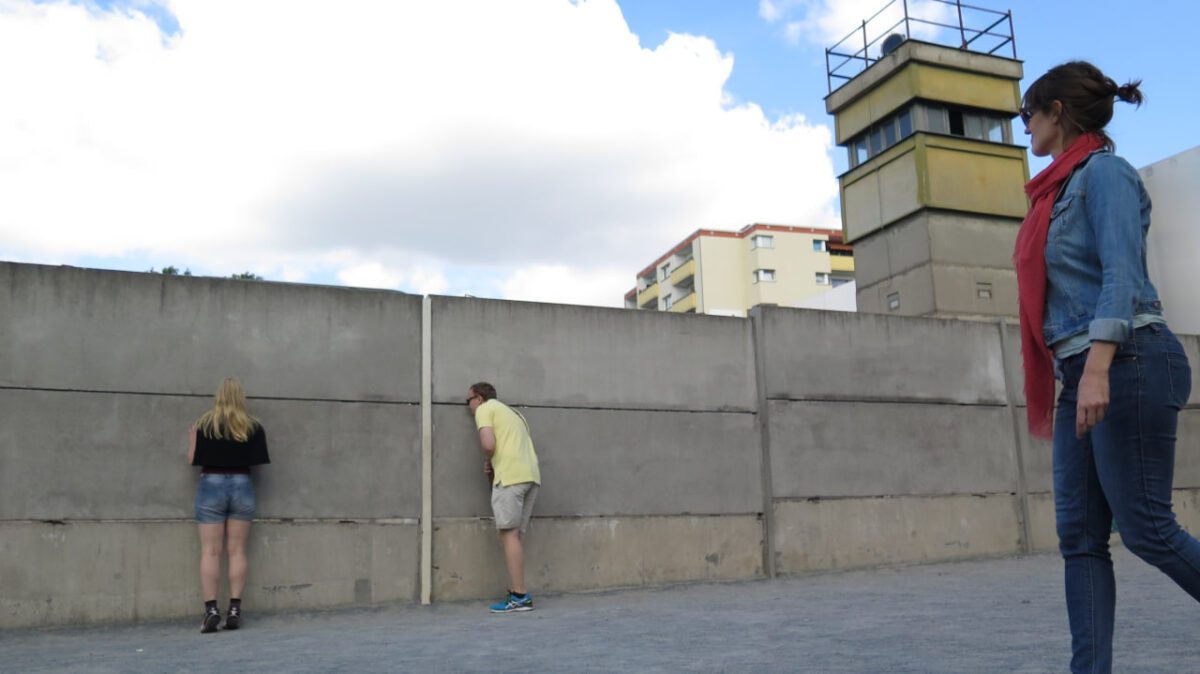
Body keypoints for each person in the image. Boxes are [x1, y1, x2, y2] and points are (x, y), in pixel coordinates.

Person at [1014, 61, 1199, 673]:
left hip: (1131, 360)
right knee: (1080, 540)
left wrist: (1097, 369)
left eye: (1028, 115)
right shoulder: (1055, 190)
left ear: (1057, 113)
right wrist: (1083, 374)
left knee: (1146, 528)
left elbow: (1121, 275)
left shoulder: (1106, 175)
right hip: (1081, 372)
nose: (1025, 129)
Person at [187, 377, 271, 633]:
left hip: (211, 484)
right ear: (240, 398)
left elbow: (192, 459)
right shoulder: (253, 426)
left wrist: (194, 439)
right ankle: (234, 608)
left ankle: (211, 610)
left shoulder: (203, 425)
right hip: (242, 484)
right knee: (237, 550)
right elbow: (257, 461)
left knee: (211, 551)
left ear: (218, 397)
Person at [467, 382, 541, 613]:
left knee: (508, 535)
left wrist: (489, 456)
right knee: (514, 536)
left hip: (511, 478)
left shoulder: (484, 410)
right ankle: (516, 591)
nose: (468, 406)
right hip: (530, 477)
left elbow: (489, 444)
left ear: (479, 398)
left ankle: (519, 596)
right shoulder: (514, 414)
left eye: (468, 400)